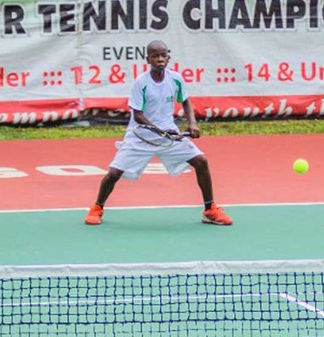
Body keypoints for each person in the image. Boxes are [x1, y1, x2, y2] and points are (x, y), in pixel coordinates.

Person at [84, 40, 233, 226]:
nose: (160, 59)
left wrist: (192, 123)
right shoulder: (141, 83)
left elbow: (185, 102)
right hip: (140, 134)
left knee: (200, 161)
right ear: (148, 59)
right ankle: (97, 208)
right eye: (155, 56)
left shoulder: (176, 79)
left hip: (168, 134)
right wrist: (160, 131)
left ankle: (210, 209)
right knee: (114, 173)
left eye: (163, 55)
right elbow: (137, 115)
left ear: (168, 58)